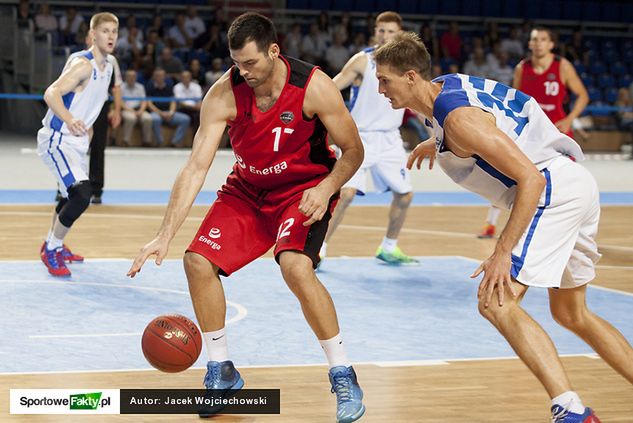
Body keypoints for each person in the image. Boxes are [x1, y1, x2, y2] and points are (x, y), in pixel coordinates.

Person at [374, 31, 633, 422]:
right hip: (574, 183)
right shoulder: (447, 87)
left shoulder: (458, 120)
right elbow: (489, 121)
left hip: (550, 190)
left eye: (384, 80)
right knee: (571, 314)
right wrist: (438, 141)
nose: (380, 89)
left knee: (495, 301)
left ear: (411, 77)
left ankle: (572, 411)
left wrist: (501, 252)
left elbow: (530, 179)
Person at [127, 13, 366, 422]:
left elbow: (353, 150)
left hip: (302, 192)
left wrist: (326, 189)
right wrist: (164, 234)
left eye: (251, 63)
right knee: (197, 261)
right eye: (237, 63)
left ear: (274, 51)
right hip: (247, 192)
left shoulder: (314, 86)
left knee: (295, 266)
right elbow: (195, 168)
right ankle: (221, 372)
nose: (243, 71)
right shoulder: (223, 94)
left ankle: (342, 372)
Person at [320, 11, 419, 266]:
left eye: (391, 32)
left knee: (405, 195)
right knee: (346, 194)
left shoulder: (407, 66)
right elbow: (333, 85)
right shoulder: (362, 61)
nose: (385, 35)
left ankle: (389, 247)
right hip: (358, 137)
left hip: (390, 140)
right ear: (375, 32)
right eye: (381, 30)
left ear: (400, 35)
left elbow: (418, 101)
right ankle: (319, 249)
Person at [478, 27, 589, 238]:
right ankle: (490, 224)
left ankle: (574, 229)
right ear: (529, 44)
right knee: (509, 175)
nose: (538, 43)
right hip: (529, 133)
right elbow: (512, 101)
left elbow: (583, 95)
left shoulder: (562, 66)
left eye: (543, 39)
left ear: (551, 44)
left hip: (557, 133)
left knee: (568, 181)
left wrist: (569, 119)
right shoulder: (522, 68)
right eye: (534, 39)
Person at [37, 12, 119, 276]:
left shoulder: (110, 66)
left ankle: (55, 245)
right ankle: (51, 248)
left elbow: (91, 106)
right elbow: (51, 92)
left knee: (70, 194)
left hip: (77, 143)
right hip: (57, 139)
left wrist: (87, 132)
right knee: (82, 194)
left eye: (114, 32)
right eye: (105, 31)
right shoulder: (83, 65)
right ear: (93, 35)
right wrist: (70, 119)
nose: (110, 36)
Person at [146, 68, 191, 147]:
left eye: (161, 76)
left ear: (165, 77)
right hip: (156, 112)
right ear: (154, 77)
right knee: (155, 119)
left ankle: (175, 142)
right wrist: (160, 113)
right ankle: (160, 142)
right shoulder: (149, 86)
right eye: (157, 76)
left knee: (185, 119)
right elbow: (149, 104)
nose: (159, 78)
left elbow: (173, 101)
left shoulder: (169, 86)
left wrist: (171, 112)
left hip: (169, 112)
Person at [120, 69, 153, 147]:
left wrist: (141, 111)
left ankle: (146, 141)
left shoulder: (140, 87)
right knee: (131, 118)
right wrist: (132, 111)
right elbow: (120, 102)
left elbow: (144, 101)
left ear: (136, 77)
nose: (131, 78)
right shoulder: (121, 87)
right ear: (125, 77)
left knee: (148, 118)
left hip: (139, 109)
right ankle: (126, 140)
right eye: (129, 76)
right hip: (126, 109)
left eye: (133, 76)